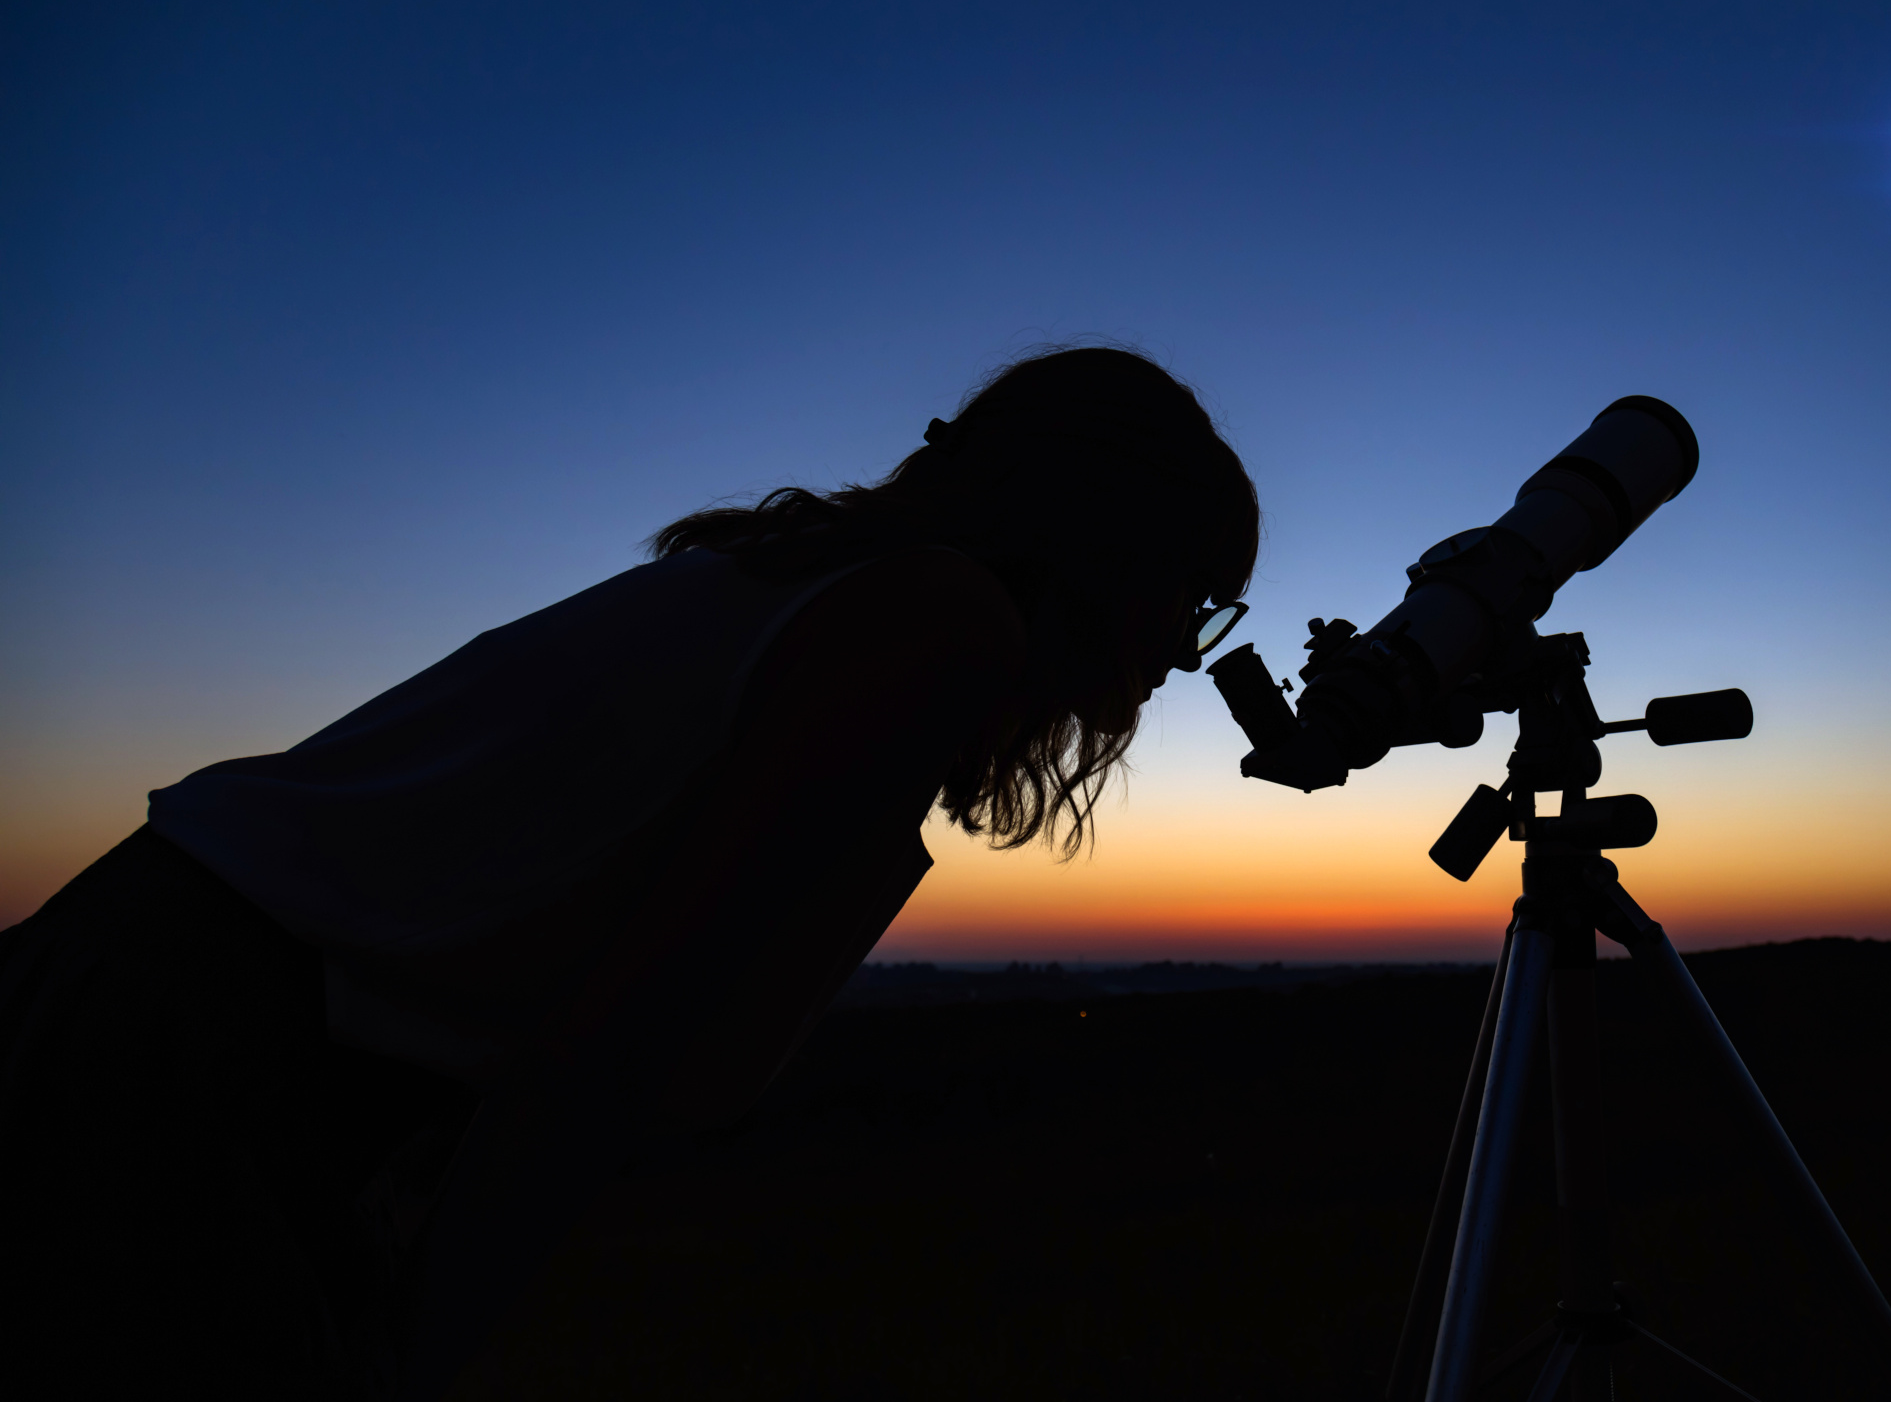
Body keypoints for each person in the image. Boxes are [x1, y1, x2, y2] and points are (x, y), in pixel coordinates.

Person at [0, 347, 1260, 1400]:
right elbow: (626, 1061)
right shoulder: (936, 627)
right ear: (1109, 544)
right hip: (185, 1046)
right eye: (1193, 599)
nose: (1185, 655)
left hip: (143, 976)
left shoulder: (806, 583)